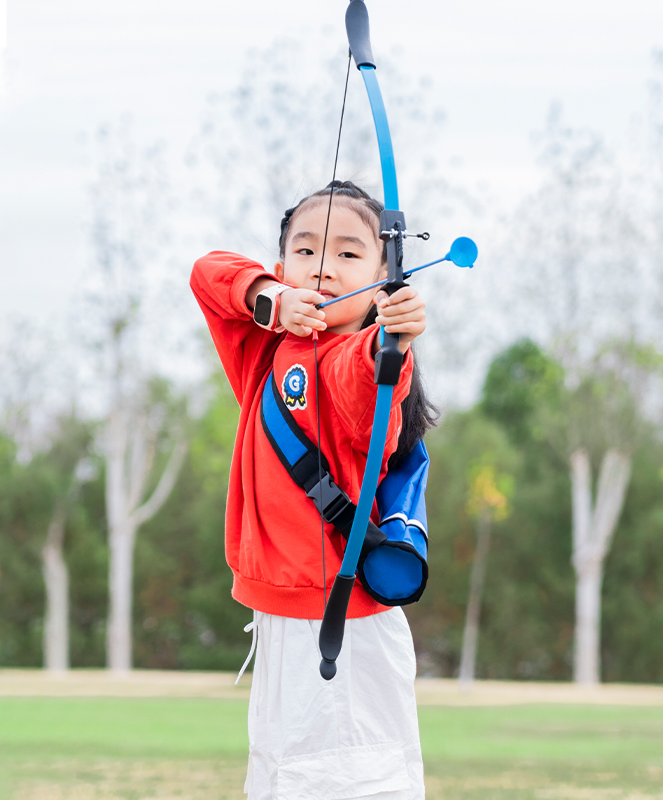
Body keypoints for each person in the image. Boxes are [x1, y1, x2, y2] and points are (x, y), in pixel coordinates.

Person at [190, 180, 434, 800]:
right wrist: (270, 300)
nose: (323, 266)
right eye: (306, 250)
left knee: (352, 780)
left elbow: (365, 384)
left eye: (350, 254)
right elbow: (208, 272)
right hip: (281, 614)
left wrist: (392, 342)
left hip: (339, 621)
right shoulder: (261, 350)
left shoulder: (358, 357)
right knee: (280, 780)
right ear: (280, 266)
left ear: (384, 280)